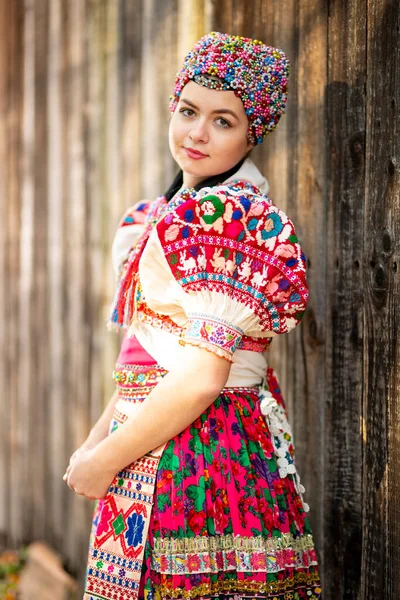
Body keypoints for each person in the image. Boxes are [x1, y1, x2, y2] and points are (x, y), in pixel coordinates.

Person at [64, 32, 322, 600]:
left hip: (205, 449)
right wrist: (96, 443)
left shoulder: (235, 224)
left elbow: (203, 377)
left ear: (253, 134)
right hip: (145, 435)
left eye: (223, 121)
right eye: (188, 111)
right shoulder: (157, 216)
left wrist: (105, 456)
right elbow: (143, 354)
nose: (198, 133)